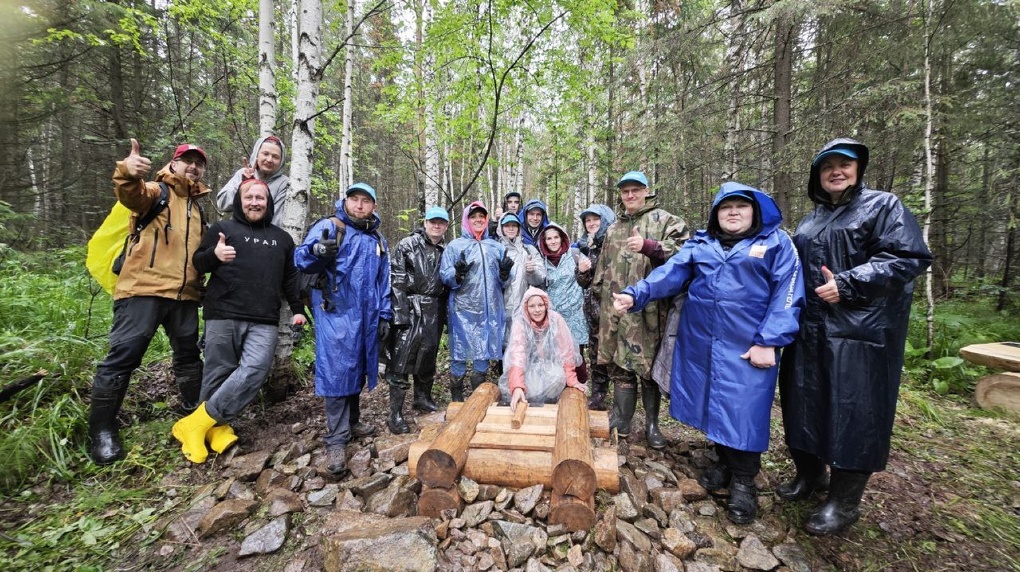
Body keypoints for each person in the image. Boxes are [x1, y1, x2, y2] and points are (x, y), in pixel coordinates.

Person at [613, 183, 804, 523]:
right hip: (703, 341)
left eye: (741, 207)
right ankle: (724, 465)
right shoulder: (703, 244)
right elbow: (670, 274)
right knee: (713, 402)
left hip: (749, 344)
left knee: (745, 409)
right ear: (716, 214)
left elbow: (787, 294)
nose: (733, 212)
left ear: (754, 212)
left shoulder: (775, 243)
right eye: (725, 207)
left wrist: (770, 340)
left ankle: (744, 482)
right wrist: (635, 294)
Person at [777, 138, 932, 535]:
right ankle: (810, 476)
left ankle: (844, 503)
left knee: (854, 413)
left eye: (844, 164)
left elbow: (908, 257)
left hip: (860, 333)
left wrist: (849, 282)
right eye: (828, 165)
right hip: (809, 331)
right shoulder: (810, 220)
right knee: (803, 402)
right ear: (817, 174)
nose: (836, 171)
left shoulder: (883, 206)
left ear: (858, 169)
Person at [87, 139, 210, 465]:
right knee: (123, 357)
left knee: (187, 356)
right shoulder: (157, 192)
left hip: (184, 297)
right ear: (174, 163)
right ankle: (101, 431)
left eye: (199, 163)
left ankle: (193, 413)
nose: (193, 167)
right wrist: (126, 173)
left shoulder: (198, 208)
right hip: (142, 290)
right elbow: (131, 195)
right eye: (188, 161)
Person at [173, 179, 307, 463]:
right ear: (240, 200)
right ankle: (214, 429)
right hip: (223, 312)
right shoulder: (223, 229)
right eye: (250, 197)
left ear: (268, 203)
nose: (255, 202)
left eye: (261, 198)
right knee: (217, 372)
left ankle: (196, 422)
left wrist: (297, 308)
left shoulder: (281, 238)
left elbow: (290, 278)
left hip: (264, 318)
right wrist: (215, 255)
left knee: (256, 368)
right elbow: (198, 262)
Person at [295, 182, 392, 478]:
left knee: (359, 366)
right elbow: (300, 259)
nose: (360, 205)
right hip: (335, 311)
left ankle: (352, 421)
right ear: (346, 201)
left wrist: (385, 313)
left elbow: (383, 279)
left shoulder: (377, 238)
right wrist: (318, 250)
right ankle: (336, 440)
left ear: (374, 206)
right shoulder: (331, 226)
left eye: (366, 201)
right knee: (337, 371)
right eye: (355, 200)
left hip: (367, 314)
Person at [592, 170, 688, 449]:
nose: (630, 195)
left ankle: (652, 425)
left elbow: (684, 254)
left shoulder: (666, 220)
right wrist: (598, 290)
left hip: (650, 310)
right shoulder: (613, 228)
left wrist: (650, 246)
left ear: (647, 190)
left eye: (636, 190)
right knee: (620, 367)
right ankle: (622, 420)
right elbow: (603, 267)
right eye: (625, 191)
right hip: (616, 311)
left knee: (647, 368)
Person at [384, 206, 450, 434]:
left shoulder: (446, 250)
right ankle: (395, 413)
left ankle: (422, 398)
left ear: (446, 226)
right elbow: (396, 279)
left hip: (435, 308)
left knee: (428, 356)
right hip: (410, 306)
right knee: (401, 359)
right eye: (433, 222)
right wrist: (399, 314)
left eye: (441, 223)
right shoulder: (407, 245)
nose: (437, 226)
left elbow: (450, 284)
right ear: (425, 223)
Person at [440, 202, 513, 399]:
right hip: (463, 309)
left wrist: (505, 273)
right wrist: (457, 274)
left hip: (490, 309)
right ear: (466, 220)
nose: (478, 220)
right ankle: (456, 399)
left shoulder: (496, 247)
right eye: (473, 217)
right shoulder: (455, 246)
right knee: (459, 355)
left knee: (483, 354)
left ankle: (477, 400)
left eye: (482, 216)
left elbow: (505, 281)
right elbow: (444, 275)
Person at [501, 287, 587, 411]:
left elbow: (566, 352)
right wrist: (517, 386)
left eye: (540, 305)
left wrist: (572, 380)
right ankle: (529, 405)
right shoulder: (520, 323)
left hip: (551, 369)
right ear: (526, 308)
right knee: (532, 388)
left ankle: (551, 405)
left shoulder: (556, 320)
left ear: (546, 305)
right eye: (532, 306)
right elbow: (517, 355)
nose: (537, 310)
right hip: (528, 370)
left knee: (557, 377)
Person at [572, 204, 616, 410]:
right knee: (596, 356)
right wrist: (581, 272)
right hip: (592, 312)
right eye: (587, 221)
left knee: (615, 357)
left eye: (595, 219)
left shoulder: (615, 244)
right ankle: (599, 396)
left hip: (613, 311)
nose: (591, 224)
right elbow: (584, 282)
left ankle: (621, 401)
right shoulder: (587, 247)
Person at [538, 223, 591, 384]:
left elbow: (587, 281)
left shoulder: (575, 255)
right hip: (554, 317)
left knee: (577, 356)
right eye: (549, 238)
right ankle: (559, 388)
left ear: (562, 238)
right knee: (556, 355)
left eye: (556, 237)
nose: (553, 241)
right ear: (544, 241)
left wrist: (584, 270)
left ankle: (580, 388)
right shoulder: (542, 261)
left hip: (575, 316)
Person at [216, 135, 289, 225]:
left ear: (281, 161)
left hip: (266, 236)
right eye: (265, 154)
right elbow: (222, 204)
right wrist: (242, 184)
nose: (269, 160)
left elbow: (276, 221)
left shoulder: (284, 183)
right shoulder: (243, 173)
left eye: (275, 157)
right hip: (238, 232)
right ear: (257, 155)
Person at [497, 212, 546, 346]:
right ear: (501, 228)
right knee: (504, 346)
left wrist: (531, 272)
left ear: (519, 228)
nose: (511, 229)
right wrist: (503, 275)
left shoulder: (528, 250)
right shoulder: (496, 250)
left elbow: (539, 279)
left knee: (524, 346)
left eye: (514, 225)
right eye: (507, 225)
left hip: (525, 309)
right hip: (501, 308)